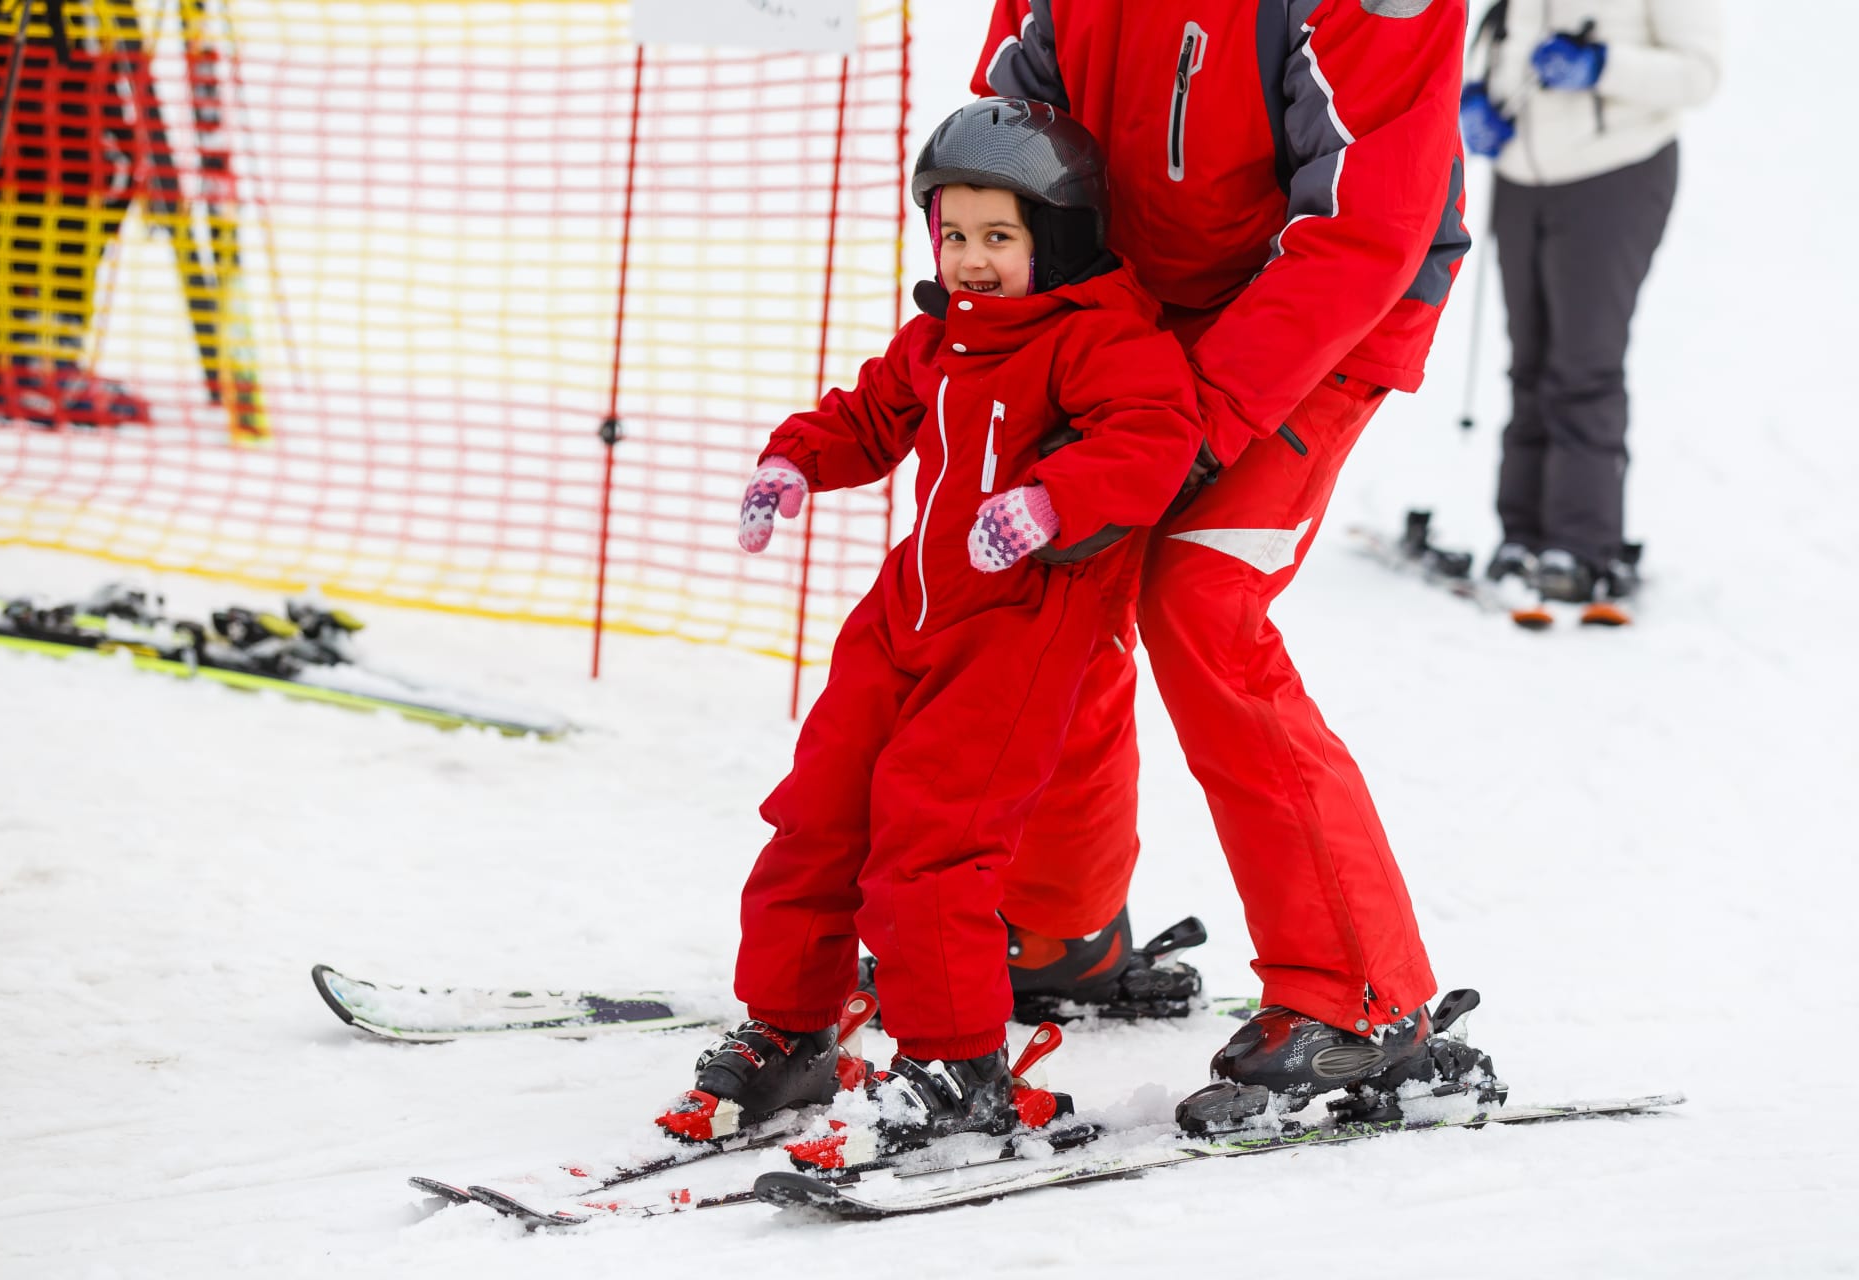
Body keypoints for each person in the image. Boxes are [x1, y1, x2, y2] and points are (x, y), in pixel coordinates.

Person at [971, 0, 1490, 1129]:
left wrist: (1194, 427)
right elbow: (1017, 144)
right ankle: (1060, 923)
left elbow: (1364, 222)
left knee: (1199, 593)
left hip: (1323, 312)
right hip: (1135, 299)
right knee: (1061, 553)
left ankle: (1362, 997)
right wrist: (1034, 356)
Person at [655, 99, 1205, 1153]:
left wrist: (1051, 500)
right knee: (816, 811)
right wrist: (793, 459)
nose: (973, 260)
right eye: (954, 235)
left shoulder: (1099, 338)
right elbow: (871, 413)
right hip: (907, 610)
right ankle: (791, 1028)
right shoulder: (940, 338)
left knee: (931, 838)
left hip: (1020, 628)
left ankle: (957, 1063)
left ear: (1060, 236)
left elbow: (1154, 435)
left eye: (1000, 236)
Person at [1460, 1, 1722, 609]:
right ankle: (1521, 536)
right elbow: (1498, 34)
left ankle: (1580, 545)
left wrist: (1602, 65)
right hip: (1521, 176)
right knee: (1528, 364)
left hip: (1616, 173)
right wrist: (1475, 95)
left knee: (1583, 366)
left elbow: (1700, 72)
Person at [0, 0, 157, 428]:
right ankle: (30, 361)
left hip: (54, 29)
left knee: (41, 169)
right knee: (61, 172)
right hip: (42, 28)